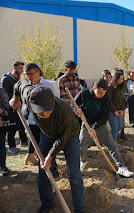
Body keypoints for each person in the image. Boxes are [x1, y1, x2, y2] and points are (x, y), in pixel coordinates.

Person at [10, 81, 86, 213]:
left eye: (47, 109)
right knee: (43, 171)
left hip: (69, 137)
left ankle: (79, 208)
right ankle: (47, 204)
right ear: (31, 104)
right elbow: (18, 85)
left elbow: (62, 140)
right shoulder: (29, 95)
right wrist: (15, 99)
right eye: (40, 111)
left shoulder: (65, 110)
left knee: (74, 174)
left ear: (53, 101)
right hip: (47, 135)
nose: (44, 114)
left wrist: (50, 157)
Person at [73, 78, 134, 177]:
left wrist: (94, 128)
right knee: (82, 145)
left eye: (104, 93)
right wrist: (76, 109)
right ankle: (83, 162)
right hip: (86, 124)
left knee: (111, 146)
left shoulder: (106, 99)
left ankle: (121, 167)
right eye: (99, 92)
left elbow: (104, 117)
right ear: (94, 88)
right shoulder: (84, 94)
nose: (101, 95)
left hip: (101, 126)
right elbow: (73, 103)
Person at [22, 63, 60, 170]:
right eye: (26, 74)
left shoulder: (50, 84)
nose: (29, 76)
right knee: (38, 147)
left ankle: (54, 169)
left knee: (48, 147)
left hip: (47, 121)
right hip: (33, 121)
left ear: (38, 73)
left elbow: (57, 101)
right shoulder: (28, 87)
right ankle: (44, 169)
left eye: (31, 74)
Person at [0, 61, 28, 153]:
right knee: (11, 127)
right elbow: (4, 94)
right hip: (9, 107)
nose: (22, 70)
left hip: (19, 105)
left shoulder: (20, 79)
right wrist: (16, 95)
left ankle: (23, 141)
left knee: (20, 124)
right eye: (20, 68)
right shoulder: (6, 79)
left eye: (22, 68)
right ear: (14, 68)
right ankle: (12, 146)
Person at [107, 71, 125, 143]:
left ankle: (113, 141)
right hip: (112, 112)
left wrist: (122, 110)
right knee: (114, 128)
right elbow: (109, 101)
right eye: (121, 79)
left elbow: (122, 100)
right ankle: (113, 144)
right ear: (116, 79)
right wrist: (114, 111)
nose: (122, 80)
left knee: (119, 127)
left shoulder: (120, 88)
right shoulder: (110, 88)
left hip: (119, 111)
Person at [0, 88, 10, 176]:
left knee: (1, 145)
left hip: (1, 122)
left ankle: (2, 166)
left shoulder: (1, 91)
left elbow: (7, 105)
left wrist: (1, 110)